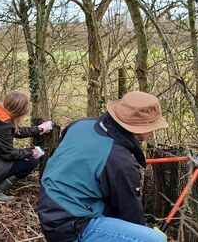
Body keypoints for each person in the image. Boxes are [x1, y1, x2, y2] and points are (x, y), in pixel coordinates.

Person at [38, 91, 169, 242]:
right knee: (154, 239)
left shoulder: (80, 124)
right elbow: (129, 213)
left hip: (49, 203)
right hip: (70, 224)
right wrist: (145, 230)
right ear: (140, 128)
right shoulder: (119, 160)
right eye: (153, 126)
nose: (153, 130)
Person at [0, 91, 52, 204]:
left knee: (25, 158)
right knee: (30, 163)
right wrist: (31, 152)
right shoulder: (2, 124)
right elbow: (8, 154)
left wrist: (39, 129)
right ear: (19, 111)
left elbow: (17, 131)